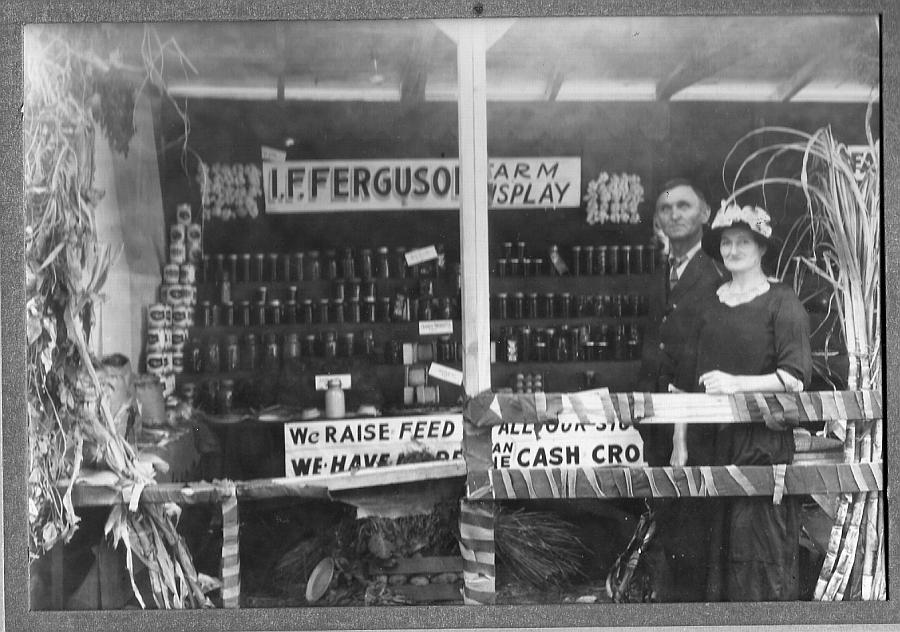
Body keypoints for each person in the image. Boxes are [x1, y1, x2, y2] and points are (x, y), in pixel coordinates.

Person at [678, 201, 812, 601]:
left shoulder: (782, 303)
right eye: (727, 243)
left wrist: (736, 384)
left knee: (757, 550)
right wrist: (679, 443)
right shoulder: (707, 306)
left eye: (743, 242)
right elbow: (686, 384)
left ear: (761, 249)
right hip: (711, 446)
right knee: (715, 551)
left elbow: (793, 379)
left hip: (762, 446)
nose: (733, 250)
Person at [635, 178, 726, 601]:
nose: (674, 214)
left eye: (684, 206)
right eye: (666, 207)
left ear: (705, 215)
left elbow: (708, 359)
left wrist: (682, 429)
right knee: (668, 530)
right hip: (657, 423)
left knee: (691, 534)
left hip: (694, 430)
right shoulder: (661, 274)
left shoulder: (714, 278)